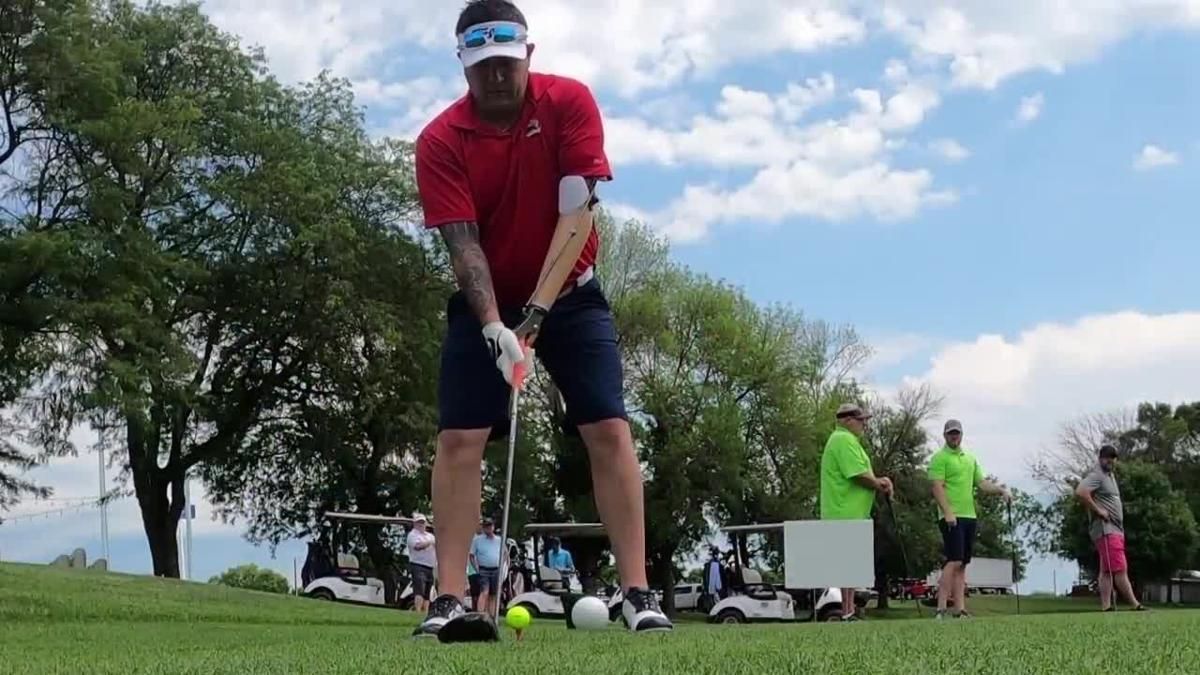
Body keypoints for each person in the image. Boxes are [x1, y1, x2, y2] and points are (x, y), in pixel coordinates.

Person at [411, 0, 671, 638]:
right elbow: (463, 245)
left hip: (572, 296)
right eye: (481, 67)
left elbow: (576, 212)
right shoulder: (440, 140)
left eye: (505, 62)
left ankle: (637, 592)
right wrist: (497, 325)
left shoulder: (568, 103)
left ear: (527, 55)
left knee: (608, 426)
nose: (495, 76)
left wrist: (536, 315)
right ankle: (448, 601)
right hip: (488, 304)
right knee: (459, 440)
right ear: (463, 66)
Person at [927, 419, 1011, 619]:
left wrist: (1001, 490)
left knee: (963, 562)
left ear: (961, 434)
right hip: (951, 517)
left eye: (956, 433)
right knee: (953, 560)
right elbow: (936, 487)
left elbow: (981, 483)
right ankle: (940, 608)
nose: (954, 436)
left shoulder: (970, 459)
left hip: (969, 516)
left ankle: (960, 609)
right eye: (950, 433)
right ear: (945, 436)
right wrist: (947, 511)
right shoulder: (939, 458)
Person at [819, 403, 893, 622]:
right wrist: (880, 483)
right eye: (861, 420)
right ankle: (847, 611)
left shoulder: (847, 441)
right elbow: (857, 474)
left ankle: (848, 611)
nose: (864, 424)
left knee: (849, 565)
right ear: (848, 420)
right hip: (843, 511)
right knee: (846, 565)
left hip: (851, 512)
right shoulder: (843, 439)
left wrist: (880, 482)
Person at [1075, 444, 1147, 612]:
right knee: (1120, 569)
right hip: (1106, 529)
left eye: (1113, 458)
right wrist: (1098, 510)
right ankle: (1135, 604)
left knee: (1106, 571)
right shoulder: (1097, 475)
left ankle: (1106, 607)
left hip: (1115, 528)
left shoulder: (1110, 475)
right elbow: (1080, 491)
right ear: (1101, 458)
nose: (1111, 461)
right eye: (1107, 458)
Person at [469, 517, 503, 616]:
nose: (488, 528)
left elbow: (504, 554)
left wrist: (503, 567)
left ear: (493, 527)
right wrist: (476, 568)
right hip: (483, 569)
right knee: (484, 591)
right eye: (485, 526)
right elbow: (471, 556)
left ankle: (491, 615)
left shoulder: (499, 540)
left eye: (489, 526)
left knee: (493, 594)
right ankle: (480, 613)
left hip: (496, 569)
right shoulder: (477, 540)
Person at [405, 513, 437, 613]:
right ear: (414, 523)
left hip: (430, 566)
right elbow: (417, 546)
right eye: (419, 522)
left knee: (428, 591)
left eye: (423, 522)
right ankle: (418, 610)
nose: (421, 525)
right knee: (419, 590)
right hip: (418, 565)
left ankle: (425, 611)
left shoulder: (430, 535)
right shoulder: (412, 535)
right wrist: (429, 542)